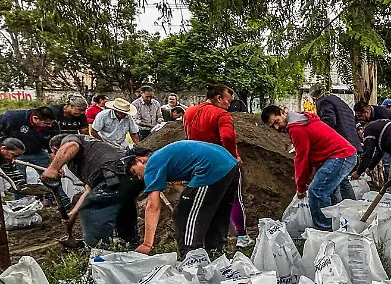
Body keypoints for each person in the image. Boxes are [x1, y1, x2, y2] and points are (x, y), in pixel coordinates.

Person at [128, 141, 240, 257]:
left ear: (140, 160)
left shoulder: (152, 164)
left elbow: (153, 206)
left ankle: (191, 256)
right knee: (215, 214)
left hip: (211, 168)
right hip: (230, 163)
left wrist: (147, 244)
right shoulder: (163, 155)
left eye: (134, 172)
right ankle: (216, 254)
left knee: (184, 214)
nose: (139, 177)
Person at [261, 105, 357, 231]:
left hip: (341, 156)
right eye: (272, 126)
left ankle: (324, 231)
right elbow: (312, 153)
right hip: (342, 155)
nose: (277, 127)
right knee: (330, 193)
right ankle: (341, 226)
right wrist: (309, 176)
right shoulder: (301, 120)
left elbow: (302, 158)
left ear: (283, 112)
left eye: (276, 122)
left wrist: (301, 187)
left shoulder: (296, 128)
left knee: (316, 191)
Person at [183, 84, 252, 248]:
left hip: (197, 162)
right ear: (219, 98)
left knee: (204, 199)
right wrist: (233, 156)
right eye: (228, 101)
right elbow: (227, 137)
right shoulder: (221, 114)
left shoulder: (189, 112)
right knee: (234, 198)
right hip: (220, 162)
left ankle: (201, 236)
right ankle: (241, 236)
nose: (230, 105)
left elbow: (187, 134)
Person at [44, 134, 143, 247]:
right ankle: (131, 243)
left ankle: (99, 251)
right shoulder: (91, 150)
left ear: (57, 149)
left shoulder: (71, 140)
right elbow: (89, 190)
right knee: (124, 206)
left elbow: (72, 145)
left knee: (92, 209)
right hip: (131, 178)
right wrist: (74, 212)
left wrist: (53, 168)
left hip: (113, 174)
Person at [310, 85, 360, 201]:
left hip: (340, 145)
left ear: (314, 98)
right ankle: (351, 207)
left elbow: (329, 121)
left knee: (334, 180)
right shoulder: (338, 100)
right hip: (351, 142)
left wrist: (317, 135)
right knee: (342, 179)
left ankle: (335, 210)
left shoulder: (323, 102)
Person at [351, 117, 391, 197]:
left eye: (360, 129)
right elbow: (379, 153)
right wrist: (369, 167)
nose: (360, 132)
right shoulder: (377, 128)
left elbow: (368, 154)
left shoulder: (369, 131)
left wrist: (358, 172)